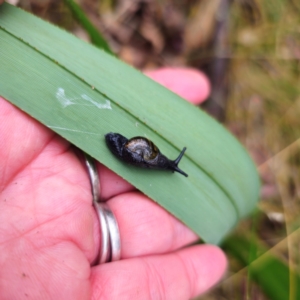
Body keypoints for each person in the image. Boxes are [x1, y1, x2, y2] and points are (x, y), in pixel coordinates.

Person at [0, 68, 227, 299]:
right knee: (150, 156)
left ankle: (169, 164)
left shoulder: (142, 153)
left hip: (140, 154)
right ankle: (166, 164)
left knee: (163, 161)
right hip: (136, 153)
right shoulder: (133, 150)